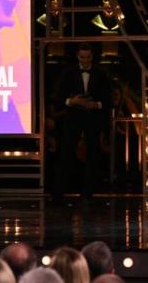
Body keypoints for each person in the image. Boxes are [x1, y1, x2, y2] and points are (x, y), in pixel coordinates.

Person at [53, 44, 112, 202]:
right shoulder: (69, 73)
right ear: (78, 57)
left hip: (93, 119)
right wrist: (72, 101)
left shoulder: (101, 73)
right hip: (73, 119)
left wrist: (96, 105)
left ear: (92, 57)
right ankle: (58, 194)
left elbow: (108, 99)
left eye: (88, 57)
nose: (85, 61)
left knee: (93, 154)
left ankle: (88, 194)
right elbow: (57, 98)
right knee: (66, 153)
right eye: (82, 57)